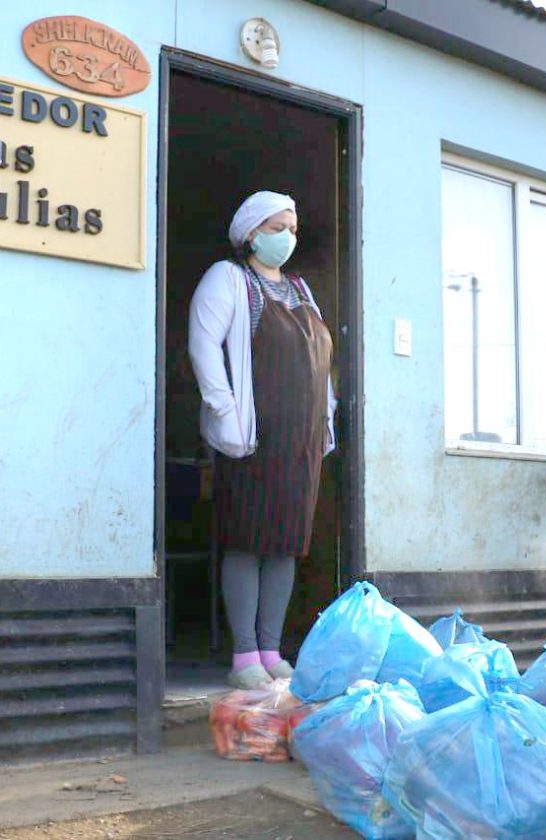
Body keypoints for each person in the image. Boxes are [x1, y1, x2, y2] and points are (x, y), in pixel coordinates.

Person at [188, 191, 336, 689]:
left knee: (285, 545)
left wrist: (328, 418)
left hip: (302, 440)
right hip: (253, 436)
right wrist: (224, 412)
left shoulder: (301, 289)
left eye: (293, 228)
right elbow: (204, 346)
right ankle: (243, 654)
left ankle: (271, 650)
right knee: (246, 541)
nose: (289, 237)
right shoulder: (228, 280)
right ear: (252, 234)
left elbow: (323, 366)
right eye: (278, 228)